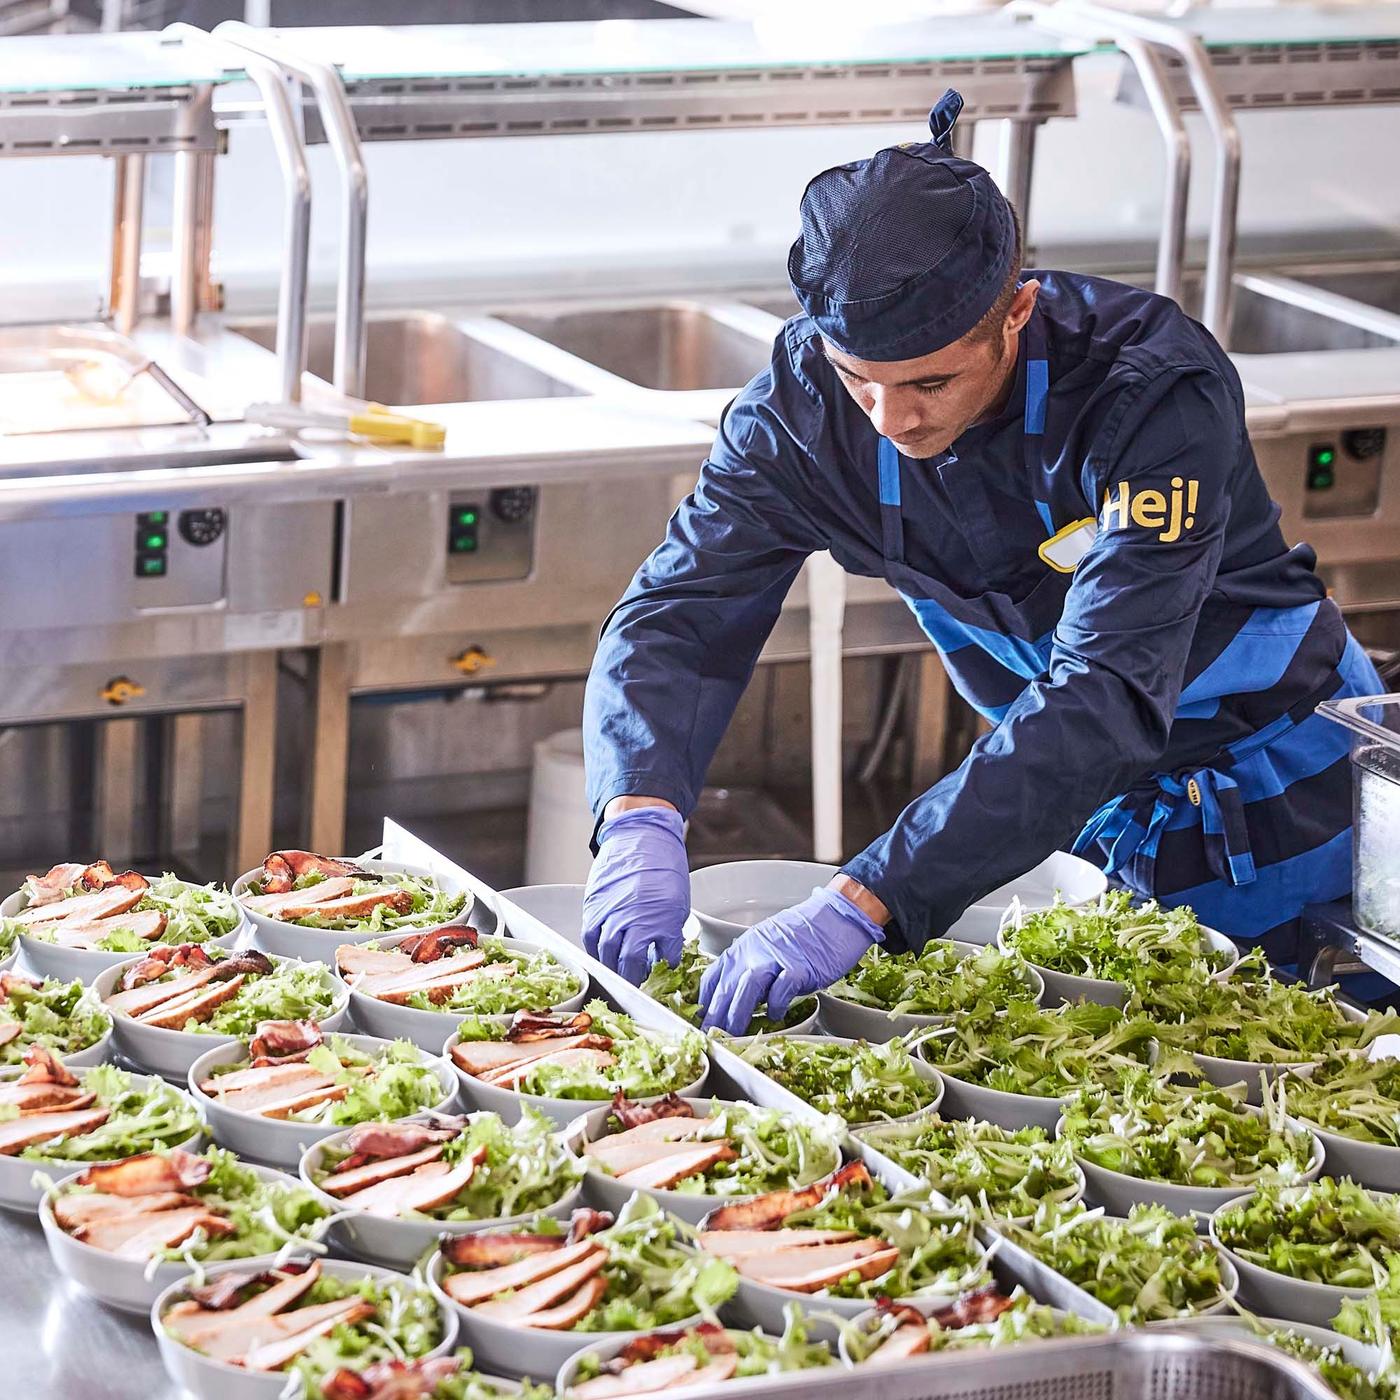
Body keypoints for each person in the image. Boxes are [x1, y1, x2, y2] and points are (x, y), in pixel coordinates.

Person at [579, 90, 1382, 1034]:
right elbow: (679, 613)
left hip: (1282, 790)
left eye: (930, 380)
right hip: (1059, 810)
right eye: (857, 379)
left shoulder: (1148, 392)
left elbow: (1106, 694)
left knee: (1309, 1073)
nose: (891, 421)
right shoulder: (798, 419)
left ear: (1018, 312)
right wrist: (637, 808)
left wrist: (866, 900)